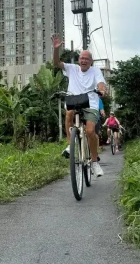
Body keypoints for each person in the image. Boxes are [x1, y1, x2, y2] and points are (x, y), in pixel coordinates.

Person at [53, 33, 106, 177]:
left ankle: (94, 162)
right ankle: (71, 144)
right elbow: (57, 63)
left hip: (90, 103)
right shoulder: (72, 69)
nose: (83, 60)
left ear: (91, 62)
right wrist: (56, 49)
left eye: (86, 59)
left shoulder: (95, 71)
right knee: (69, 113)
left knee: (90, 132)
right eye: (82, 58)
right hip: (74, 100)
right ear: (78, 60)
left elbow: (101, 84)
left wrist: (102, 90)